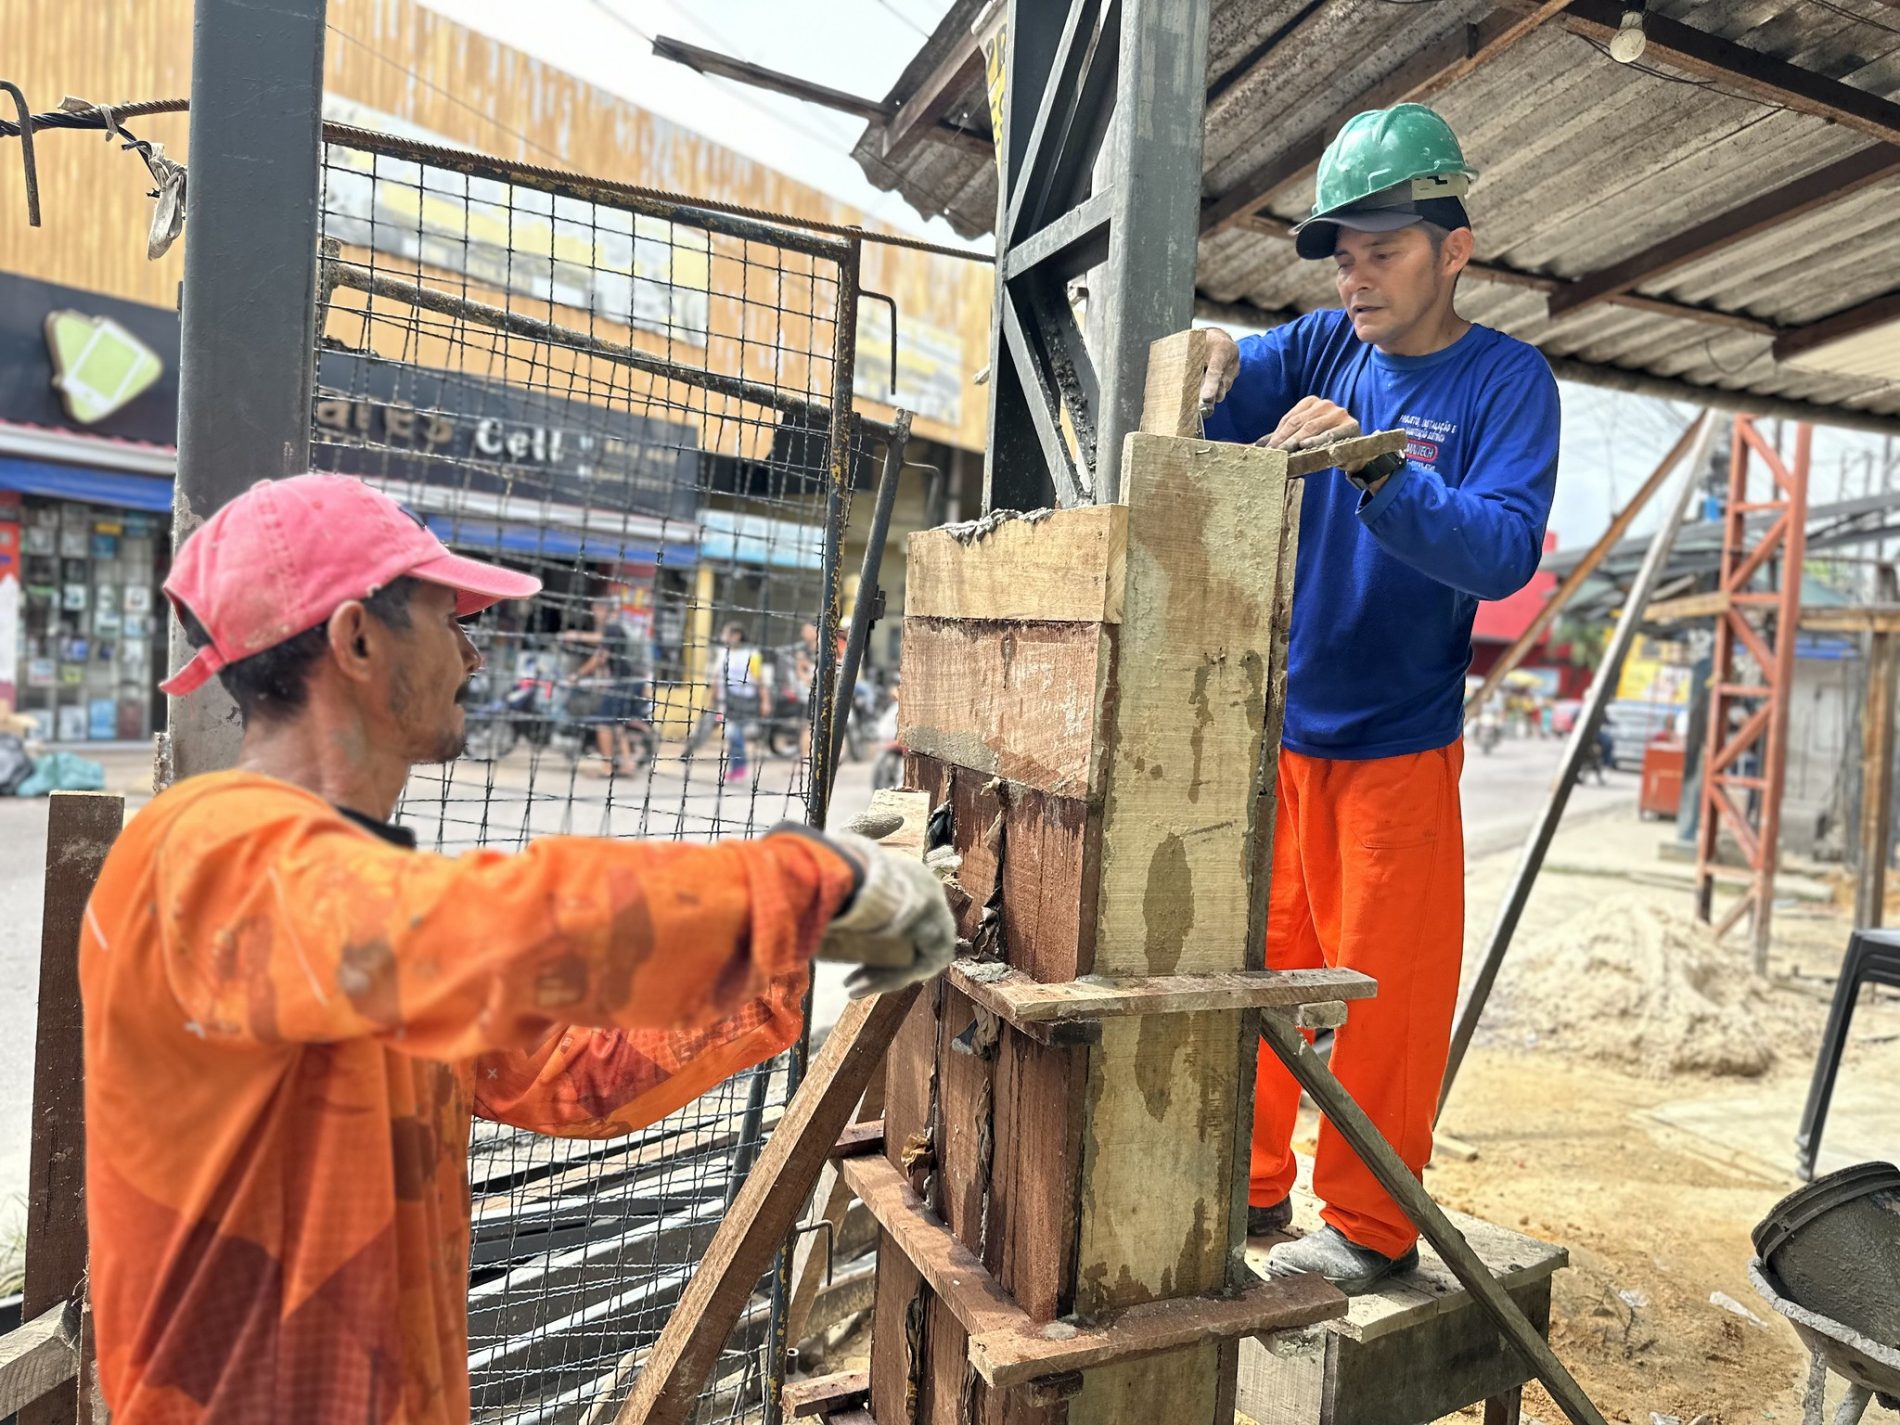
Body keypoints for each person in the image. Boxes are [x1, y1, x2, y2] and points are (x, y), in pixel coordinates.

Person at [79, 474, 957, 1423]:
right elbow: (486, 933)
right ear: (358, 639)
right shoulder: (203, 854)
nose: (471, 650)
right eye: (445, 615)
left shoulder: (354, 920)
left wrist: (780, 968)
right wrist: (797, 893)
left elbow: (560, 1071)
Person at [1197, 103, 1559, 1294]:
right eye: (1342, 253)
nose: (1356, 276)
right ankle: (1243, 1193)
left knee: (1381, 1006)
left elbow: (1502, 552)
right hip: (1281, 734)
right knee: (1258, 973)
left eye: (1384, 250)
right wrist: (1207, 355)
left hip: (1399, 745)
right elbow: (1229, 386)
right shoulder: (1317, 345)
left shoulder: (1506, 382)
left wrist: (1372, 464)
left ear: (1455, 248)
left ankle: (1364, 1222)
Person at [568, 592, 652, 775]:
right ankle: (628, 765)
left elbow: (601, 657)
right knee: (617, 723)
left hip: (622, 682)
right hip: (634, 680)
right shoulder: (624, 625)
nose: (594, 614)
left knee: (604, 723)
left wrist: (577, 675)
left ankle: (606, 767)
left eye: (596, 610)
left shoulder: (612, 627)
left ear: (604, 609)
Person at [713, 619, 766, 784]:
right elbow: (717, 677)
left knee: (734, 733)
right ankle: (737, 767)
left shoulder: (752, 654)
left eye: (727, 633)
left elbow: (759, 678)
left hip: (746, 698)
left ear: (736, 635)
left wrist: (765, 700)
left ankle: (739, 767)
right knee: (732, 734)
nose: (723, 637)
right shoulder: (723, 653)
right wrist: (713, 698)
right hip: (728, 698)